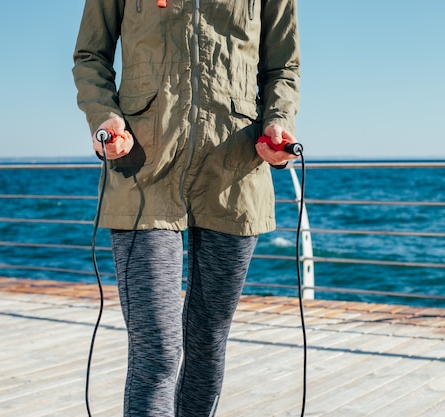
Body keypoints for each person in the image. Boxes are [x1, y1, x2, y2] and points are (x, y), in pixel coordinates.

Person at [72, 0, 300, 415]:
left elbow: (282, 68)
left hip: (233, 173)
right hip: (143, 171)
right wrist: (105, 118)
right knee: (157, 349)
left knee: (207, 343)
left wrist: (278, 120)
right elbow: (91, 56)